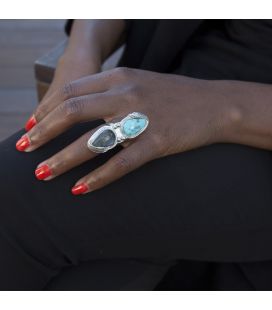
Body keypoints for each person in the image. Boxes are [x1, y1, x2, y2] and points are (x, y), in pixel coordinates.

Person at [1, 19, 272, 290]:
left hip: (255, 128)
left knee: (17, 195)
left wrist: (221, 106)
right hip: (156, 84)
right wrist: (81, 53)